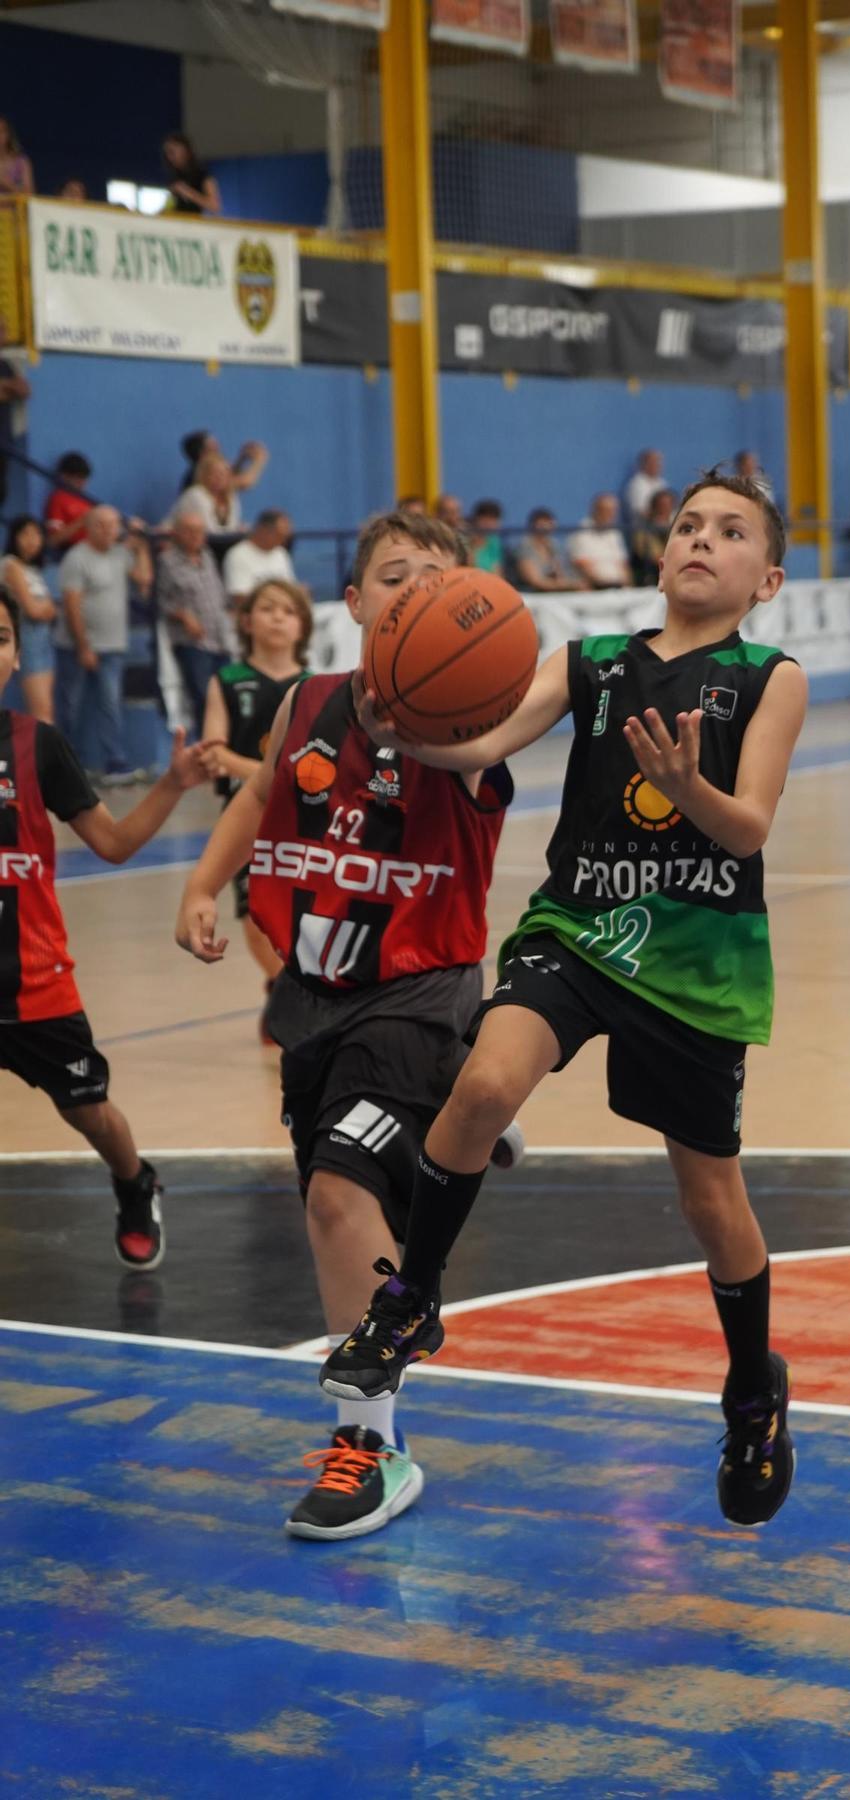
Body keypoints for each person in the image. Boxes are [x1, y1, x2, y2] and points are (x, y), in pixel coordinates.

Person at [327, 471, 808, 1529]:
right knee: (488, 1081)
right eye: (688, 524)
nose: (701, 540)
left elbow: (748, 827)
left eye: (731, 533)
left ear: (765, 578)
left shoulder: (770, 677)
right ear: (660, 548)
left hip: (694, 961)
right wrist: (400, 731)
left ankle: (750, 1392)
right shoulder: (592, 665)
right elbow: (485, 742)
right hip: (579, 927)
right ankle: (411, 1300)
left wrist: (691, 791)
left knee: (710, 1205)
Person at [175, 510, 521, 1541]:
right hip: (311, 1003)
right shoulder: (305, 700)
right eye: (392, 575)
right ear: (358, 603)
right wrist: (204, 883)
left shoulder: (471, 715)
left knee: (338, 1197)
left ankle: (370, 1447)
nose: (412, 592)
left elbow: (476, 752)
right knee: (332, 1210)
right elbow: (262, 797)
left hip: (419, 996)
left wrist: (447, 691)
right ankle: (463, 1109)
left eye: (434, 580)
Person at [0, 588, 214, 1268]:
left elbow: (115, 844)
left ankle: (134, 1181)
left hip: (34, 983)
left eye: (1, 636)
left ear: (13, 654)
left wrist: (173, 783)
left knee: (88, 1109)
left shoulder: (39, 745)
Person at [199, 578, 311, 1038]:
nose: (278, 617)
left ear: (303, 624)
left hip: (305, 817)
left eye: (288, 610)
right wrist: (269, 774)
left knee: (304, 908)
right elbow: (214, 752)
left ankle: (302, 987)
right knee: (253, 911)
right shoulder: (227, 681)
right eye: (267, 608)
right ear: (246, 621)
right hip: (247, 816)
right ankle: (280, 985)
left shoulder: (314, 686)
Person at [57, 505, 153, 785]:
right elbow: (72, 605)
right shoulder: (76, 558)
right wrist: (83, 645)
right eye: (102, 525)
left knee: (110, 704)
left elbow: (144, 579)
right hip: (77, 646)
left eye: (114, 525)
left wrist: (141, 548)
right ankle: (67, 767)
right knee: (71, 707)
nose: (110, 531)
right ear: (89, 526)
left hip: (112, 646)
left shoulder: (121, 554)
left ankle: (114, 762)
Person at [157, 510, 237, 735]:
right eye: (189, 531)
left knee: (227, 693)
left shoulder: (208, 556)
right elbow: (162, 602)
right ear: (177, 533)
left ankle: (226, 743)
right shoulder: (168, 561)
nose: (195, 536)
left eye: (200, 531)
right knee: (203, 697)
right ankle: (206, 747)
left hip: (220, 638)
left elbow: (219, 593)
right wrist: (183, 615)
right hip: (193, 641)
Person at [2, 515, 57, 723]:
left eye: (37, 534)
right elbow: (33, 610)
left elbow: (52, 609)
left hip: (43, 640)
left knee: (47, 707)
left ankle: (41, 754)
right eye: (25, 534)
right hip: (27, 639)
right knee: (40, 710)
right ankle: (44, 755)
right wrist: (43, 609)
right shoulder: (10, 565)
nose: (32, 540)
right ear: (14, 537)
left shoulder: (33, 569)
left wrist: (44, 609)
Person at [221, 509, 296, 606]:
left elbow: (291, 587)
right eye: (279, 535)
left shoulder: (281, 553)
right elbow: (240, 598)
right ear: (263, 530)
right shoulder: (237, 555)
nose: (283, 541)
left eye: (286, 537)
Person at [0, 313, 32, 516]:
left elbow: (24, 390)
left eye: (4, 330)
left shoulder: (5, 365)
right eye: (1, 330)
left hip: (3, 444)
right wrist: (7, 388)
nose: (5, 335)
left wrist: (6, 387)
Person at [173, 450, 242, 538]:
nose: (220, 478)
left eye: (223, 474)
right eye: (215, 474)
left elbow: (232, 528)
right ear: (204, 475)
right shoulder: (195, 494)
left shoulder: (231, 496)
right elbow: (209, 531)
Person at [569, 493, 631, 590]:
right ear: (595, 510)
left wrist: (627, 587)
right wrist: (606, 586)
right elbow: (582, 566)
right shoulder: (581, 533)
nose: (611, 515)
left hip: (618, 588)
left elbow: (623, 564)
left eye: (614, 511)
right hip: (596, 589)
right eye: (607, 511)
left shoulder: (614, 533)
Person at [179, 431, 268, 496]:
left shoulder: (197, 471)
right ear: (202, 453)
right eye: (214, 446)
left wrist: (242, 459)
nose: (219, 448)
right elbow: (244, 483)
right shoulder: (198, 476)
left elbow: (229, 474)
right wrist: (260, 460)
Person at [514, 508, 577, 593]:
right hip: (530, 595)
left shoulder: (554, 546)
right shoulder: (524, 547)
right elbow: (534, 581)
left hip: (554, 595)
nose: (544, 528)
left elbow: (560, 574)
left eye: (548, 524)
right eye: (540, 524)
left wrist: (568, 583)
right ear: (532, 526)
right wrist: (570, 585)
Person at [43, 452, 94, 553]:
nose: (83, 482)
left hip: (93, 549)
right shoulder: (58, 499)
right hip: (72, 552)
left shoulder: (87, 499)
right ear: (65, 476)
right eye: (79, 477)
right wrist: (81, 521)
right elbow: (52, 540)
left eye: (85, 478)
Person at [162, 133, 220, 216]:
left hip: (194, 223)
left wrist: (188, 192)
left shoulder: (203, 174)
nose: (169, 157)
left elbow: (215, 206)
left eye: (172, 152)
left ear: (185, 150)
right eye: (167, 153)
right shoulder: (174, 177)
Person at [630, 487, 677, 588]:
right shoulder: (643, 529)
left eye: (668, 505)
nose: (665, 508)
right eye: (662, 505)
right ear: (654, 506)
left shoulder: (678, 526)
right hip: (653, 574)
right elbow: (649, 554)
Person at [624, 448, 666, 526]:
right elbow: (641, 512)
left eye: (658, 462)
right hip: (643, 529)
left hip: (662, 528)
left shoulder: (661, 483)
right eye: (653, 462)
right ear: (644, 464)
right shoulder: (636, 484)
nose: (657, 465)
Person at [467, 500, 504, 574]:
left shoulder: (494, 542)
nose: (489, 524)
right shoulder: (465, 541)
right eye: (486, 519)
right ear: (476, 519)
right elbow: (469, 567)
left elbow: (498, 571)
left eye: (493, 520)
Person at [0, 119, 33, 197]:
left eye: (1, 132)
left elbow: (30, 195)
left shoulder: (21, 162)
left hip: (14, 208)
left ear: (8, 134)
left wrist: (6, 183)